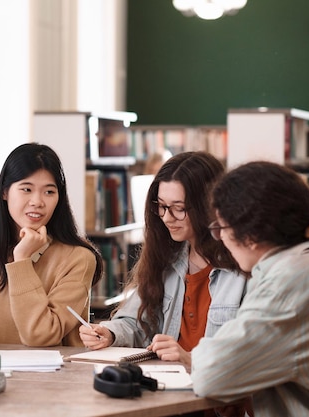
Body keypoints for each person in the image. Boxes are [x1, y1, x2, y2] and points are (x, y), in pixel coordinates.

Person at [192, 161, 309, 416]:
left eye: (220, 228)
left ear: (249, 235)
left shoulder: (290, 280)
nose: (221, 238)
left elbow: (210, 374)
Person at [79, 151, 247, 369]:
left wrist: (190, 359)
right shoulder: (166, 257)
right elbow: (137, 322)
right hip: (170, 389)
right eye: (161, 206)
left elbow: (250, 356)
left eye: (179, 208)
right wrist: (109, 333)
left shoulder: (243, 267)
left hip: (218, 395)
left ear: (208, 206)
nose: (167, 217)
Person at [0, 142, 103, 348]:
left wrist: (22, 262)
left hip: (56, 376)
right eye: (26, 189)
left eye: (49, 192)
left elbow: (40, 335)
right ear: (5, 192)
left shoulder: (78, 258)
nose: (37, 201)